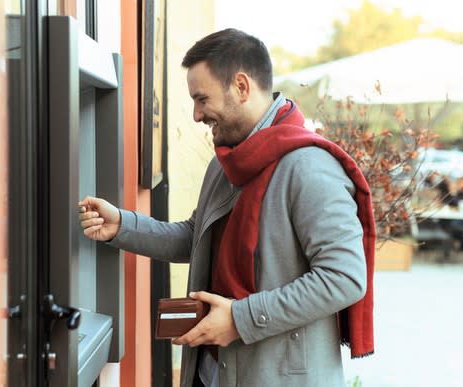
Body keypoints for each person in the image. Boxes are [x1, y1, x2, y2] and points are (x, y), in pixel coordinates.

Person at [79, 28, 375, 387]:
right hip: (211, 371)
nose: (196, 114)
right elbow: (195, 237)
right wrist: (122, 226)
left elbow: (344, 278)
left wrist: (239, 318)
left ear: (241, 86)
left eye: (202, 99)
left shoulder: (310, 168)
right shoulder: (225, 163)